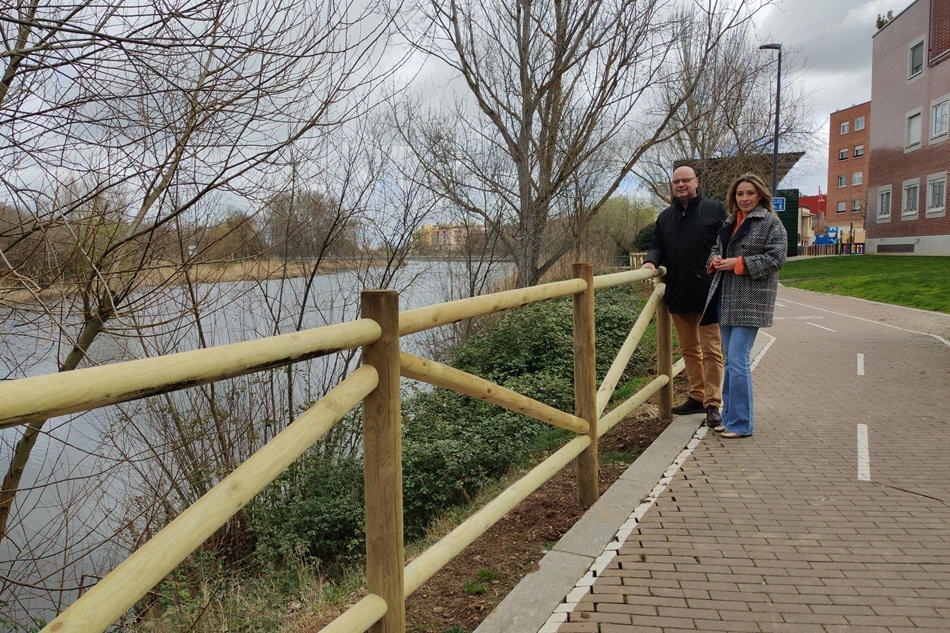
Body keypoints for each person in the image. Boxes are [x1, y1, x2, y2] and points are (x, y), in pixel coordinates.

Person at [703, 173, 787, 438]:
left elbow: (776, 258)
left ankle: (741, 424)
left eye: (750, 193)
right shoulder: (731, 220)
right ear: (734, 197)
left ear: (760, 195)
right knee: (730, 361)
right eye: (740, 194)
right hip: (726, 298)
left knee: (738, 360)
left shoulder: (771, 222)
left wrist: (737, 264)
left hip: (751, 300)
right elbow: (717, 248)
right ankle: (728, 418)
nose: (745, 198)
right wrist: (716, 260)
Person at [641, 165, 726, 429]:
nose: (680, 185)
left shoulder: (714, 209)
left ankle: (713, 403)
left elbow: (726, 241)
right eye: (676, 181)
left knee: (711, 350)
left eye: (685, 180)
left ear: (695, 181)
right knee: (689, 350)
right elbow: (657, 244)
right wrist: (650, 262)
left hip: (708, 292)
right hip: (678, 293)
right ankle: (697, 396)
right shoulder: (666, 217)